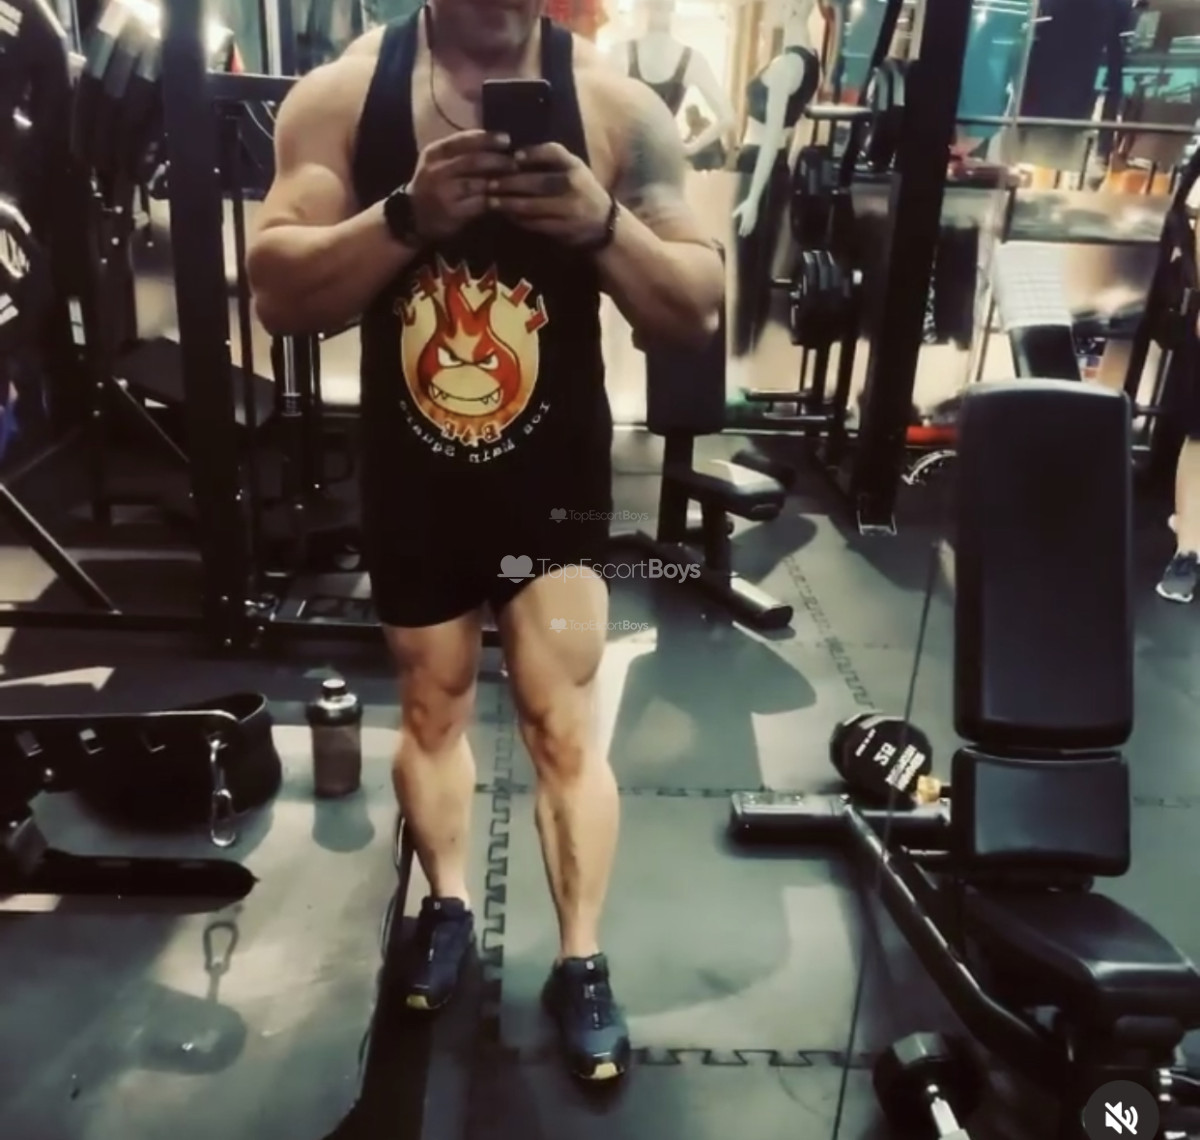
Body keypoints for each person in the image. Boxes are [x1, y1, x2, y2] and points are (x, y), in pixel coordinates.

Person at [246, 0, 724, 1082]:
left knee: (564, 724)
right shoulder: (343, 99)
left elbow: (694, 308)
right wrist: (405, 216)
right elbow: (276, 290)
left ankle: (580, 959)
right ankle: (450, 902)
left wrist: (602, 223)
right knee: (431, 706)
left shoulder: (617, 108)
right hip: (415, 484)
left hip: (552, 496)